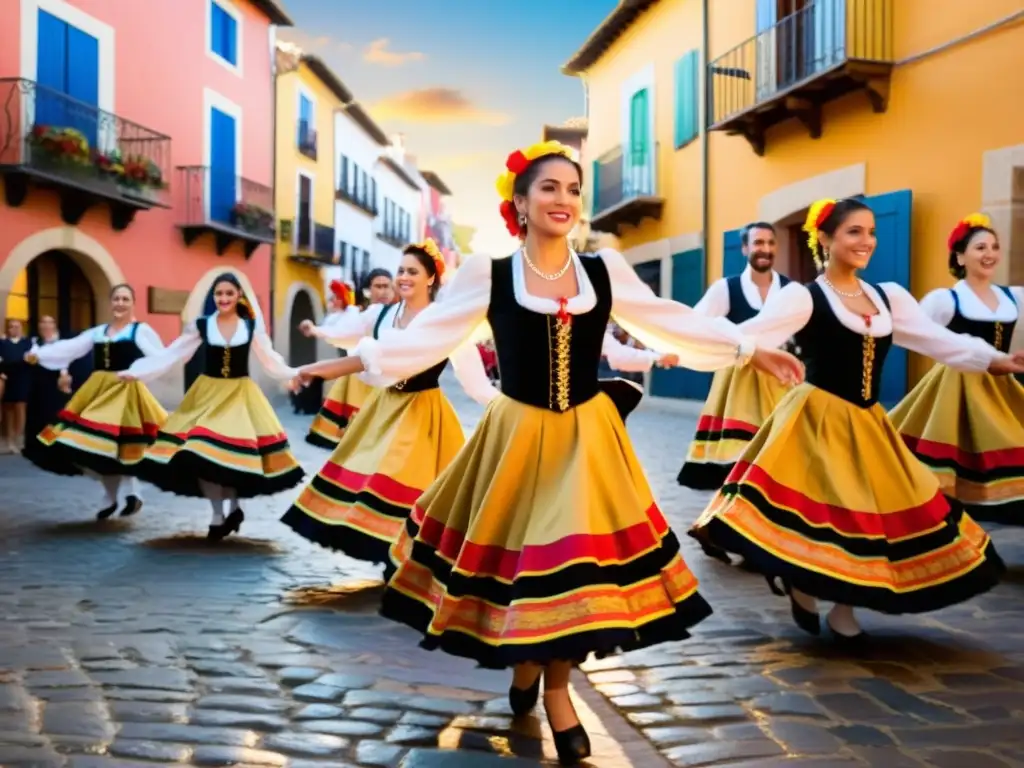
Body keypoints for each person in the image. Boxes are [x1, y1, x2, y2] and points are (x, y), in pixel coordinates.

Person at [289, 140, 802, 764]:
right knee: (524, 567)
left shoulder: (603, 270)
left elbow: (669, 317)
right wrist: (334, 362)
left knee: (577, 568)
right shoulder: (489, 273)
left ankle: (557, 690)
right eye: (550, 188)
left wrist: (749, 349)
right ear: (521, 204)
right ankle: (526, 667)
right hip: (516, 437)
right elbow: (422, 339)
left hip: (587, 439)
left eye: (573, 189)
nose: (564, 200)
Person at [691, 198, 1021, 645]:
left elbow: (935, 339)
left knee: (870, 516)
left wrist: (992, 359)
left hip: (868, 423)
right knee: (826, 513)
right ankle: (805, 582)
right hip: (816, 420)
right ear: (825, 239)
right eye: (853, 232)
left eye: (870, 232)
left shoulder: (888, 297)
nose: (866, 241)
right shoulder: (803, 296)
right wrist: (690, 346)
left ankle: (844, 604)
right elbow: (749, 334)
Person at [285, 239, 499, 572]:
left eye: (412, 271)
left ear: (431, 278)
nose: (403, 277)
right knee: (369, 477)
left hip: (422, 413)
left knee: (403, 479)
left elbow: (473, 379)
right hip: (383, 408)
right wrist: (315, 350)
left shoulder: (442, 321)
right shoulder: (382, 314)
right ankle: (390, 552)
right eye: (401, 270)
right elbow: (351, 342)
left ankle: (400, 557)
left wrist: (504, 404)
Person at [119, 272, 303, 541]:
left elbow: (269, 359)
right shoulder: (202, 325)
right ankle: (217, 514)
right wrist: (139, 371)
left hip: (240, 395)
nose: (224, 298)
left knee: (235, 454)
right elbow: (174, 352)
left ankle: (235, 508)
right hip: (207, 395)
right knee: (201, 452)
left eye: (229, 293)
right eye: (219, 294)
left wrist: (292, 375)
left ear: (239, 295)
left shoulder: (251, 327)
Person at [889, 213, 1024, 523]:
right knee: (954, 464)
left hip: (1001, 388)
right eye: (980, 247)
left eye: (994, 246)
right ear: (960, 256)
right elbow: (916, 335)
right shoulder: (944, 299)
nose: (989, 254)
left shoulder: (1013, 297)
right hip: (954, 388)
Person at [23, 285, 168, 518]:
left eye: (125, 299)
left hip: (126, 390)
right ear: (110, 303)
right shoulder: (99, 332)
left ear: (133, 303)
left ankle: (133, 493)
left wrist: (136, 371)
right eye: (116, 299)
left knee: (125, 442)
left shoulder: (140, 331)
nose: (120, 303)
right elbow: (71, 347)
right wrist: (40, 354)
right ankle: (110, 498)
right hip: (98, 391)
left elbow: (160, 357)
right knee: (96, 444)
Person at [678, 222, 794, 490]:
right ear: (745, 248)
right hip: (737, 384)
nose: (764, 249)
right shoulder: (725, 288)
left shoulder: (790, 290)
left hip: (779, 382)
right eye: (758, 243)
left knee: (779, 458)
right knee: (736, 459)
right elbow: (697, 323)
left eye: (769, 243)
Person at [303, 280, 375, 448]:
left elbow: (341, 334)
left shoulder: (352, 314)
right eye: (332, 297)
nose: (333, 301)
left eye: (337, 297)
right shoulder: (338, 315)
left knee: (354, 403)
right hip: (347, 366)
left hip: (358, 366)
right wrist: (314, 329)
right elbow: (330, 330)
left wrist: (315, 330)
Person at [21, 316, 68, 468]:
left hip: (55, 383)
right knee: (37, 416)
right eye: (43, 323)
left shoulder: (61, 342)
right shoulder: (34, 342)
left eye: (49, 323)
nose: (46, 326)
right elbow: (27, 358)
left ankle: (54, 448)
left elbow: (66, 360)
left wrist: (64, 375)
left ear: (54, 325)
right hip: (38, 384)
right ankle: (38, 450)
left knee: (53, 416)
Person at [0, 318, 33, 454]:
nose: (15, 329)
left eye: (17, 326)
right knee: (8, 410)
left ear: (21, 328)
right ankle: (9, 440)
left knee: (20, 407)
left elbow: (31, 360)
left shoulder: (28, 343)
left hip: (23, 378)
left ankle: (19, 438)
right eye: (12, 326)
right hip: (7, 378)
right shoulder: (2, 343)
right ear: (8, 329)